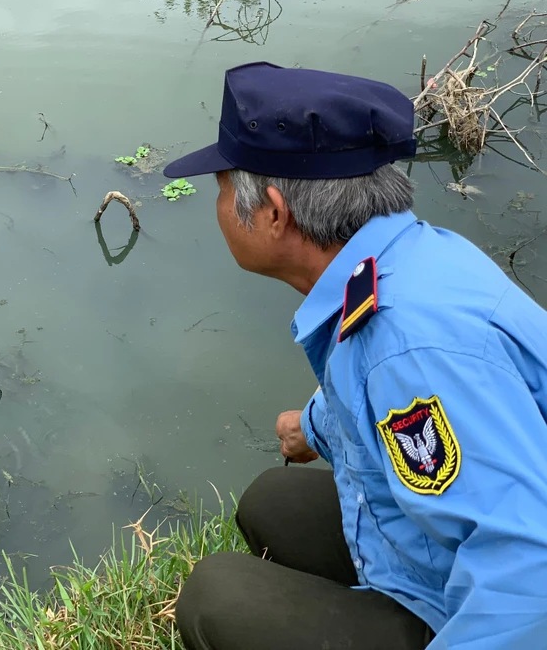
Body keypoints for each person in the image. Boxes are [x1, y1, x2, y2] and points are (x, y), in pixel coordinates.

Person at [165, 61, 547, 649]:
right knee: (273, 500)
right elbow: (381, 390)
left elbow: (530, 575)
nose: (216, 205)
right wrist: (311, 426)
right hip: (442, 560)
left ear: (272, 212)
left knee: (216, 596)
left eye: (221, 189)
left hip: (495, 607)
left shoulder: (411, 347)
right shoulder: (403, 260)